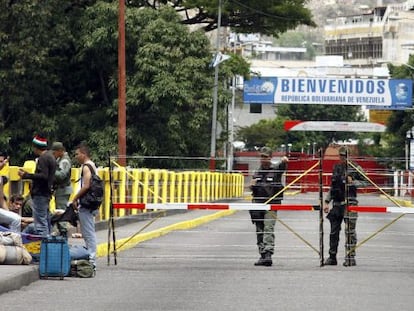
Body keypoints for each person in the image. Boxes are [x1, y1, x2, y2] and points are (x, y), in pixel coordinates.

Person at [323, 146, 365, 267]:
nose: (342, 158)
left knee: (350, 232)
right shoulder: (337, 168)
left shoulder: (356, 168)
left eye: (344, 155)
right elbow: (333, 186)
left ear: (349, 155)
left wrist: (353, 182)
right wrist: (327, 201)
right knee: (333, 232)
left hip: (350, 203)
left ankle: (350, 257)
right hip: (337, 204)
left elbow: (366, 182)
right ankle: (332, 257)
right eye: (341, 155)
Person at [249, 146, 288, 267]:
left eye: (266, 157)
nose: (263, 159)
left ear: (270, 158)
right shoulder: (257, 172)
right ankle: (262, 254)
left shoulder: (275, 169)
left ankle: (268, 254)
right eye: (262, 157)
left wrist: (284, 161)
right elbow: (252, 188)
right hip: (258, 204)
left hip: (271, 204)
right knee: (259, 230)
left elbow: (282, 167)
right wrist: (251, 185)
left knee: (268, 228)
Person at [18, 134, 56, 236]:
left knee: (40, 224)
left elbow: (43, 176)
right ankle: (48, 246)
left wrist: (26, 175)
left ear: (36, 147)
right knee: (46, 221)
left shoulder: (43, 158)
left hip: (40, 194)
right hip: (46, 193)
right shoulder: (51, 157)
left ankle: (43, 247)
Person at [70, 142, 98, 269]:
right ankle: (90, 257)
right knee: (88, 232)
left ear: (83, 154)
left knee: (88, 233)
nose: (76, 157)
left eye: (77, 154)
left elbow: (86, 186)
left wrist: (75, 198)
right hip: (92, 203)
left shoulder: (86, 166)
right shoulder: (92, 165)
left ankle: (91, 259)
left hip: (86, 204)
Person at [51, 142, 72, 210]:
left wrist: (51, 170)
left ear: (60, 151)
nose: (54, 154)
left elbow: (62, 175)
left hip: (63, 189)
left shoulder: (64, 161)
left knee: (61, 211)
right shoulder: (59, 159)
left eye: (54, 153)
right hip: (60, 190)